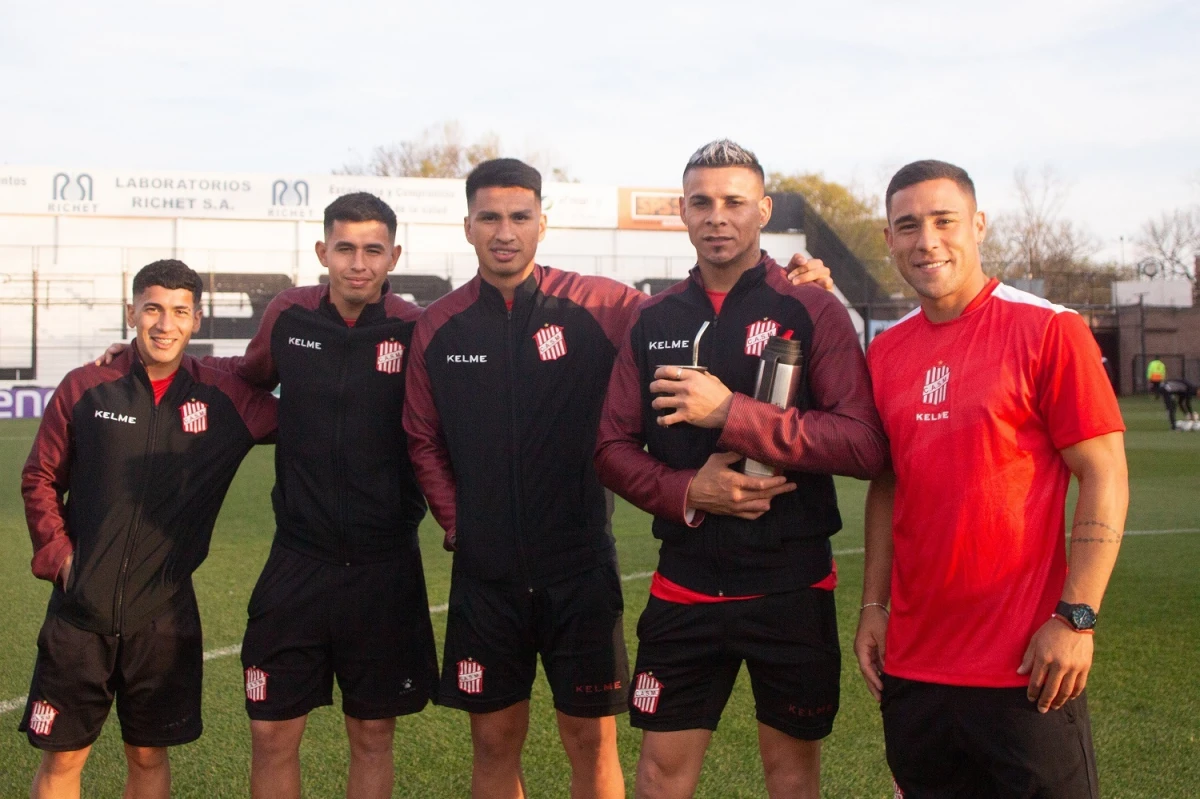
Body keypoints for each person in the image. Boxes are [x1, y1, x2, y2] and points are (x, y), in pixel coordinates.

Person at [403, 157, 835, 799]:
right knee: (492, 744)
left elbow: (691, 312)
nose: (504, 231)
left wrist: (795, 287)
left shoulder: (604, 306)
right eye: (489, 217)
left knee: (591, 741)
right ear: (467, 226)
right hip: (484, 576)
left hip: (581, 568)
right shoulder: (438, 325)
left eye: (519, 216)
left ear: (541, 224)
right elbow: (422, 436)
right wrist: (459, 523)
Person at [594, 139, 887, 799]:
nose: (716, 217)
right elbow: (609, 446)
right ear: (682, 211)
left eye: (733, 202)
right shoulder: (653, 319)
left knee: (790, 777)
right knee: (660, 774)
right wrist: (688, 491)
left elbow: (864, 442)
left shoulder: (811, 309)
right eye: (701, 202)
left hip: (790, 584)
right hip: (686, 585)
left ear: (763, 210)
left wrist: (732, 414)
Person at [854, 160, 1129, 798]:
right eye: (908, 225)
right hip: (915, 671)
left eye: (944, 220)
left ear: (978, 225)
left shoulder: (1049, 328)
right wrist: (874, 608)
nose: (927, 240)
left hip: (1027, 670)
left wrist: (1078, 616)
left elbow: (1105, 473)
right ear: (889, 239)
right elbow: (887, 483)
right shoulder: (887, 352)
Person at [20, 260, 276, 799]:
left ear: (197, 320)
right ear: (131, 311)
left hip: (163, 615)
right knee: (63, 760)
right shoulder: (87, 386)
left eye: (180, 312)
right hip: (79, 611)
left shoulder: (223, 398)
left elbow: (302, 405)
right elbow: (40, 476)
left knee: (148, 756)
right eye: (153, 308)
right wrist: (60, 556)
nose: (165, 323)